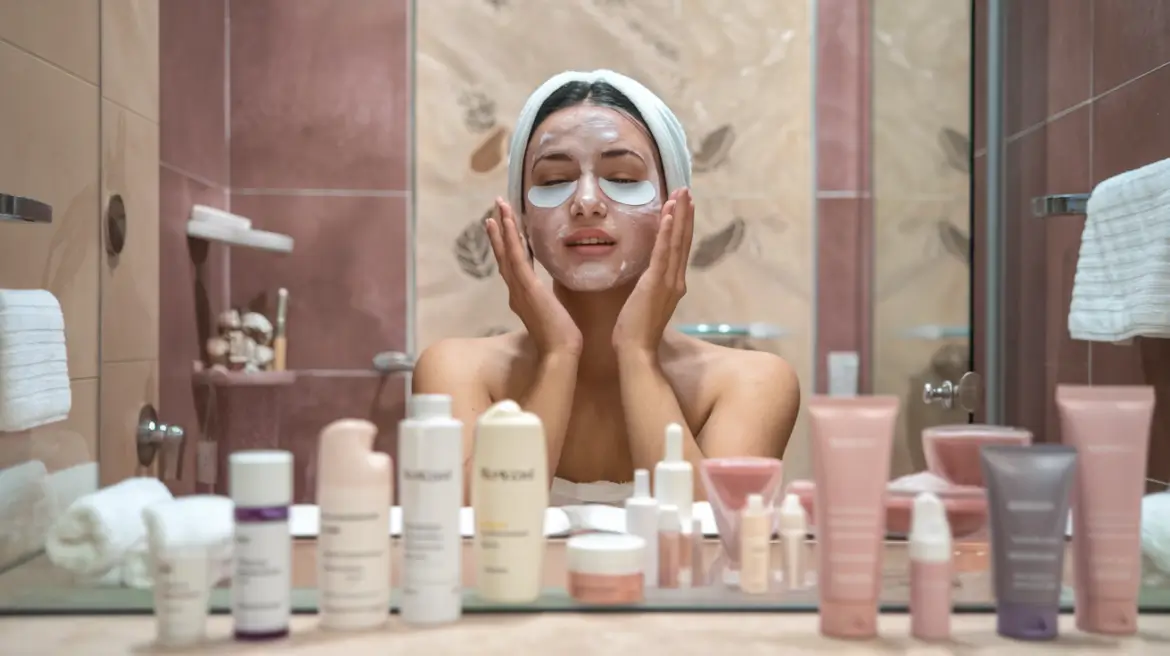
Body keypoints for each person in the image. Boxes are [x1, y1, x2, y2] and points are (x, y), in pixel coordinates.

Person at [414, 70, 800, 505]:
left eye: (622, 177)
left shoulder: (750, 383)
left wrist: (637, 353)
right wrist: (559, 355)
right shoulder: (457, 372)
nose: (586, 202)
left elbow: (708, 547)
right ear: (521, 216)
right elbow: (474, 536)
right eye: (555, 181)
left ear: (674, 210)